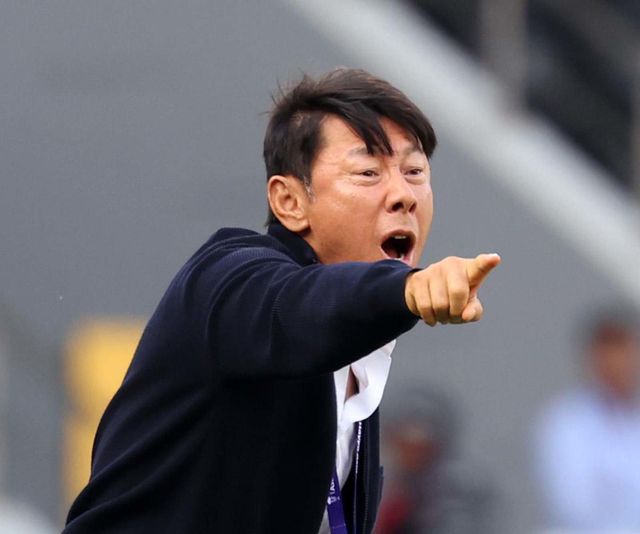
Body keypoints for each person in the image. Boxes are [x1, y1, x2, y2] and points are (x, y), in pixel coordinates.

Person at [64, 68, 500, 533]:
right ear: (289, 201)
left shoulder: (356, 354)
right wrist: (405, 287)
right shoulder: (230, 279)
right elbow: (298, 308)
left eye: (415, 172)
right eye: (368, 173)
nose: (404, 196)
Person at [534, 309, 640, 531]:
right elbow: (574, 506)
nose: (616, 362)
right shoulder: (564, 422)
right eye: (607, 351)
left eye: (623, 350)